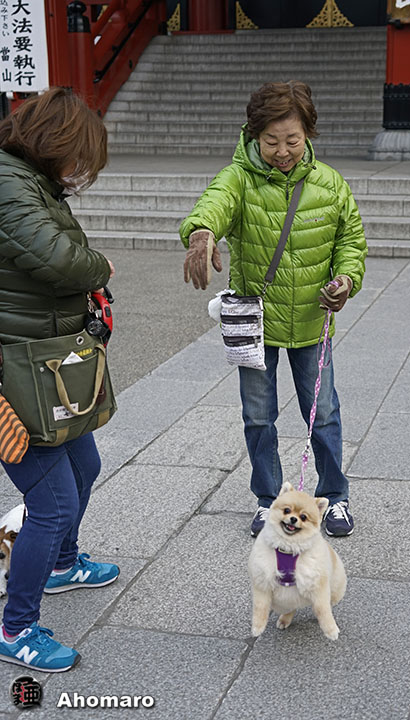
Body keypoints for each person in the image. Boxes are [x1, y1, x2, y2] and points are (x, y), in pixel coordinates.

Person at [181, 81, 367, 539]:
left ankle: (334, 495)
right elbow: (213, 204)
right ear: (253, 135)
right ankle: (268, 500)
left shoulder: (330, 183)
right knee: (259, 416)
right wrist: (202, 232)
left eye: (292, 141)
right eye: (271, 142)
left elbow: (350, 241)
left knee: (323, 413)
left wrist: (346, 280)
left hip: (311, 318)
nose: (282, 152)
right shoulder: (239, 177)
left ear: (308, 135)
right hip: (256, 322)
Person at [0, 87, 119, 673]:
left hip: (44, 365)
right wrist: (101, 266)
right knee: (50, 503)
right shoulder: (7, 182)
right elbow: (58, 259)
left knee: (85, 466)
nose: (81, 171)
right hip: (14, 377)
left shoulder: (31, 181)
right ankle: (16, 627)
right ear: (53, 142)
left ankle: (62, 564)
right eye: (79, 158)